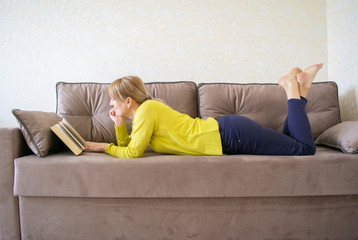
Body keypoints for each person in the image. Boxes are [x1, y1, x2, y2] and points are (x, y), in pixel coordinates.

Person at [86, 63, 323, 158]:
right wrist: (118, 126)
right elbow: (130, 145)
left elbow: (132, 154)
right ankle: (303, 87)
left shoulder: (147, 110)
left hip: (232, 136)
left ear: (128, 101)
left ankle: (291, 86)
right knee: (293, 141)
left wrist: (103, 147)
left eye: (113, 100)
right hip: (230, 133)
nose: (110, 105)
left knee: (305, 149)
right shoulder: (144, 113)